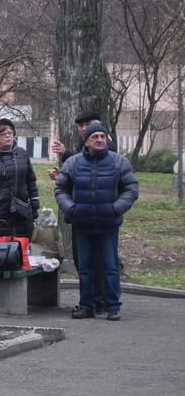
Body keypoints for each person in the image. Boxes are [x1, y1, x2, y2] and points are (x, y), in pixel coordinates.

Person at [54, 123, 139, 321]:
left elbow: (131, 188)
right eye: (95, 137)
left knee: (110, 267)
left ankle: (113, 306)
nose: (100, 140)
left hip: (108, 224)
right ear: (86, 141)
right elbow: (61, 189)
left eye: (103, 136)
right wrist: (72, 209)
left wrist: (115, 208)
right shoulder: (73, 163)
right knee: (85, 268)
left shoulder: (119, 162)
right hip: (82, 225)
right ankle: (86, 306)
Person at [49, 111, 117, 313]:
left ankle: (105, 302)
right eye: (81, 126)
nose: (84, 128)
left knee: (104, 263)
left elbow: (113, 180)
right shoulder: (79, 152)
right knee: (84, 263)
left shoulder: (108, 150)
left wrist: (115, 208)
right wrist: (71, 204)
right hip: (82, 216)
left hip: (105, 218)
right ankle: (91, 302)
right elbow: (81, 177)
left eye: (88, 124)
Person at [0, 118, 40, 240]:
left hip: (22, 212)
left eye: (10, 133)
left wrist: (34, 205)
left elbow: (30, 181)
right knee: (0, 252)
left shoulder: (22, 154)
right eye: (2, 134)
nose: (7, 136)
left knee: (21, 249)